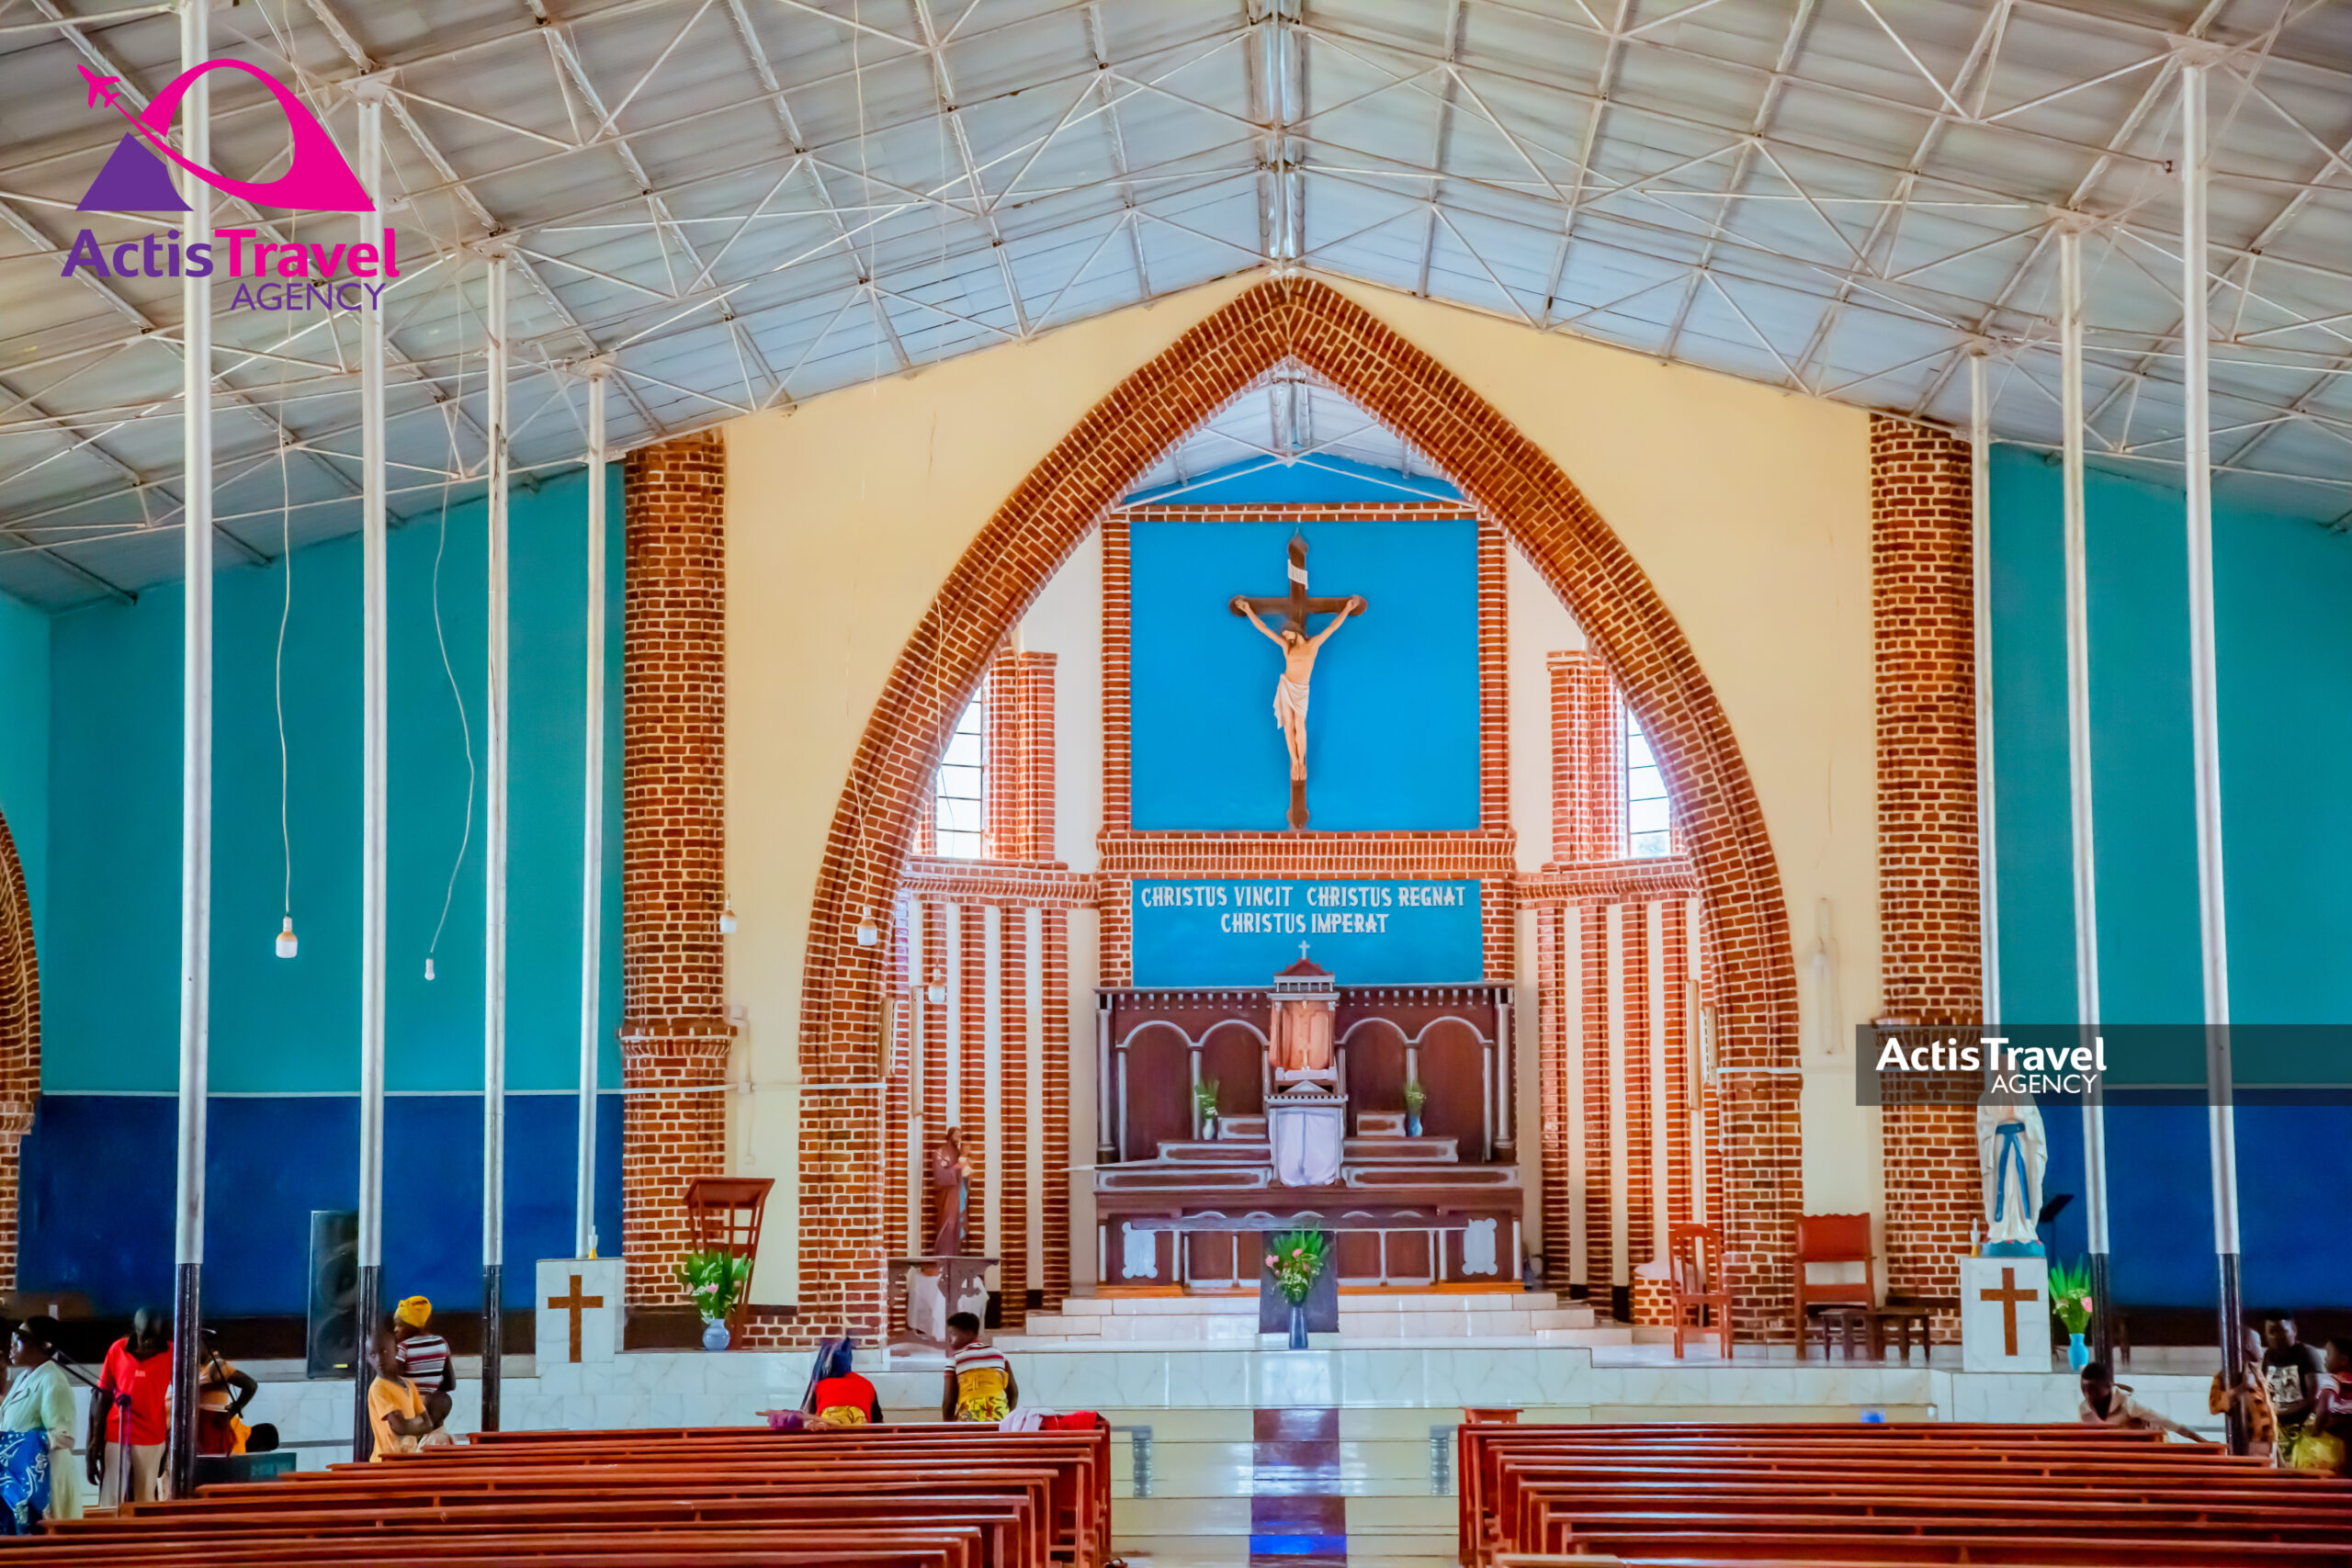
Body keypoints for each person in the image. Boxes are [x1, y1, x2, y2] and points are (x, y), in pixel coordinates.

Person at [1235, 592, 1365, 783]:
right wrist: (1248, 610)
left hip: (1301, 690)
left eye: (1286, 633)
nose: (1284, 636)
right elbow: (1264, 629)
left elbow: (1333, 627)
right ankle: (1294, 761)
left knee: (1299, 725)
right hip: (1286, 687)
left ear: (1295, 631)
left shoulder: (1313, 645)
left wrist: (1348, 608)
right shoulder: (1287, 647)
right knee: (1289, 727)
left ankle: (1302, 762)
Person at [0, 1317, 79, 1529]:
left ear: (43, 1345)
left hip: (46, 1478)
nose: (11, 1346)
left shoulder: (53, 1379)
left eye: (19, 1341)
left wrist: (13, 1440)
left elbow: (64, 1436)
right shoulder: (23, 1377)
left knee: (51, 1537)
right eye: (13, 1339)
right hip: (23, 1475)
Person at [87, 1307, 170, 1505]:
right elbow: (103, 1395)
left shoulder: (172, 1352)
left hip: (151, 1435)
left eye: (153, 1337)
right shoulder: (117, 1349)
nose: (148, 1342)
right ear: (135, 1330)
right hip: (117, 1431)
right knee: (111, 1495)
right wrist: (95, 1438)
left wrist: (169, 1441)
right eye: (144, 1337)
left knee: (145, 1497)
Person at [769, 1338, 883, 1431]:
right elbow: (877, 1421)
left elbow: (812, 1416)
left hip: (830, 1426)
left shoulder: (822, 1385)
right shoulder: (866, 1384)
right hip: (858, 1429)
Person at [2078, 1361, 2208, 1441]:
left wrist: (2201, 1441)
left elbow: (2167, 1422)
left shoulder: (2129, 1404)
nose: (2087, 1394)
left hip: (2152, 1447)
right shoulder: (2084, 1410)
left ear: (2107, 1387)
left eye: (2093, 1389)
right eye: (2084, 1388)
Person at [2263, 1314, 2329, 1462]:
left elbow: (2315, 1396)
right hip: (2277, 1428)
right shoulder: (2268, 1355)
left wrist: (2281, 1413)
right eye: (2271, 1331)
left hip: (2302, 1427)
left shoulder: (2307, 1353)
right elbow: (2264, 1389)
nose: (2275, 1336)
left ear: (2293, 1330)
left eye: (2281, 1330)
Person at [365, 1319, 433, 1461]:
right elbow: (400, 1427)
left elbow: (428, 1424)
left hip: (408, 1459)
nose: (379, 1359)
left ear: (396, 1351)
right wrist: (415, 1422)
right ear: (368, 1359)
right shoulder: (378, 1388)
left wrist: (408, 1423)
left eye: (384, 1352)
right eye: (373, 1355)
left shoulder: (408, 1385)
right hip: (386, 1462)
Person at [2210, 1325, 2278, 1462]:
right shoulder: (2225, 1376)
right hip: (2251, 1444)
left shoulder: (2257, 1374)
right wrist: (2241, 1388)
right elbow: (2214, 1405)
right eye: (2258, 1343)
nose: (2261, 1349)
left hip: (2269, 1443)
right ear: (2248, 1346)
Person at [391, 1297, 454, 1435]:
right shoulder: (441, 1343)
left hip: (411, 1412)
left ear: (411, 1325)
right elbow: (450, 1384)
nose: (396, 1330)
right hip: (435, 1408)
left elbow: (394, 1383)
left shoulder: (404, 1348)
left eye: (400, 1325)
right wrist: (430, 1390)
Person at [192, 1327, 256, 1457]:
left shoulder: (216, 1366)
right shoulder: (198, 1367)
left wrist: (235, 1408)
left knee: (210, 1463)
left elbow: (250, 1385)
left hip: (211, 1425)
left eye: (196, 1344)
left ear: (205, 1344)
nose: (192, 1349)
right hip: (200, 1425)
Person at [942, 1312, 1016, 1424]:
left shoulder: (955, 1360)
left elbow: (949, 1402)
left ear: (968, 1333)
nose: (949, 1339)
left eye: (953, 1334)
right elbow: (1013, 1392)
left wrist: (947, 1425)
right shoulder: (999, 1355)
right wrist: (1007, 1417)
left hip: (968, 1421)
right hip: (999, 1420)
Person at [2304, 1339, 2352, 1476]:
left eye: (2328, 1354)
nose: (2325, 1358)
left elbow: (2325, 1408)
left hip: (2341, 1426)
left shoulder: (2333, 1379)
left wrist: (2316, 1431)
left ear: (2343, 1360)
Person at [932, 1130, 970, 1257]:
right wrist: (956, 1167)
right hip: (947, 1198)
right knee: (948, 1225)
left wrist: (966, 1173)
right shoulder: (940, 1152)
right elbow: (940, 1177)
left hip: (958, 1197)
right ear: (950, 1136)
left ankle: (955, 1255)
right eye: (956, 1136)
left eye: (960, 1136)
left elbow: (964, 1177)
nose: (958, 1139)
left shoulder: (958, 1153)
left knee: (958, 1226)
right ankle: (944, 1256)